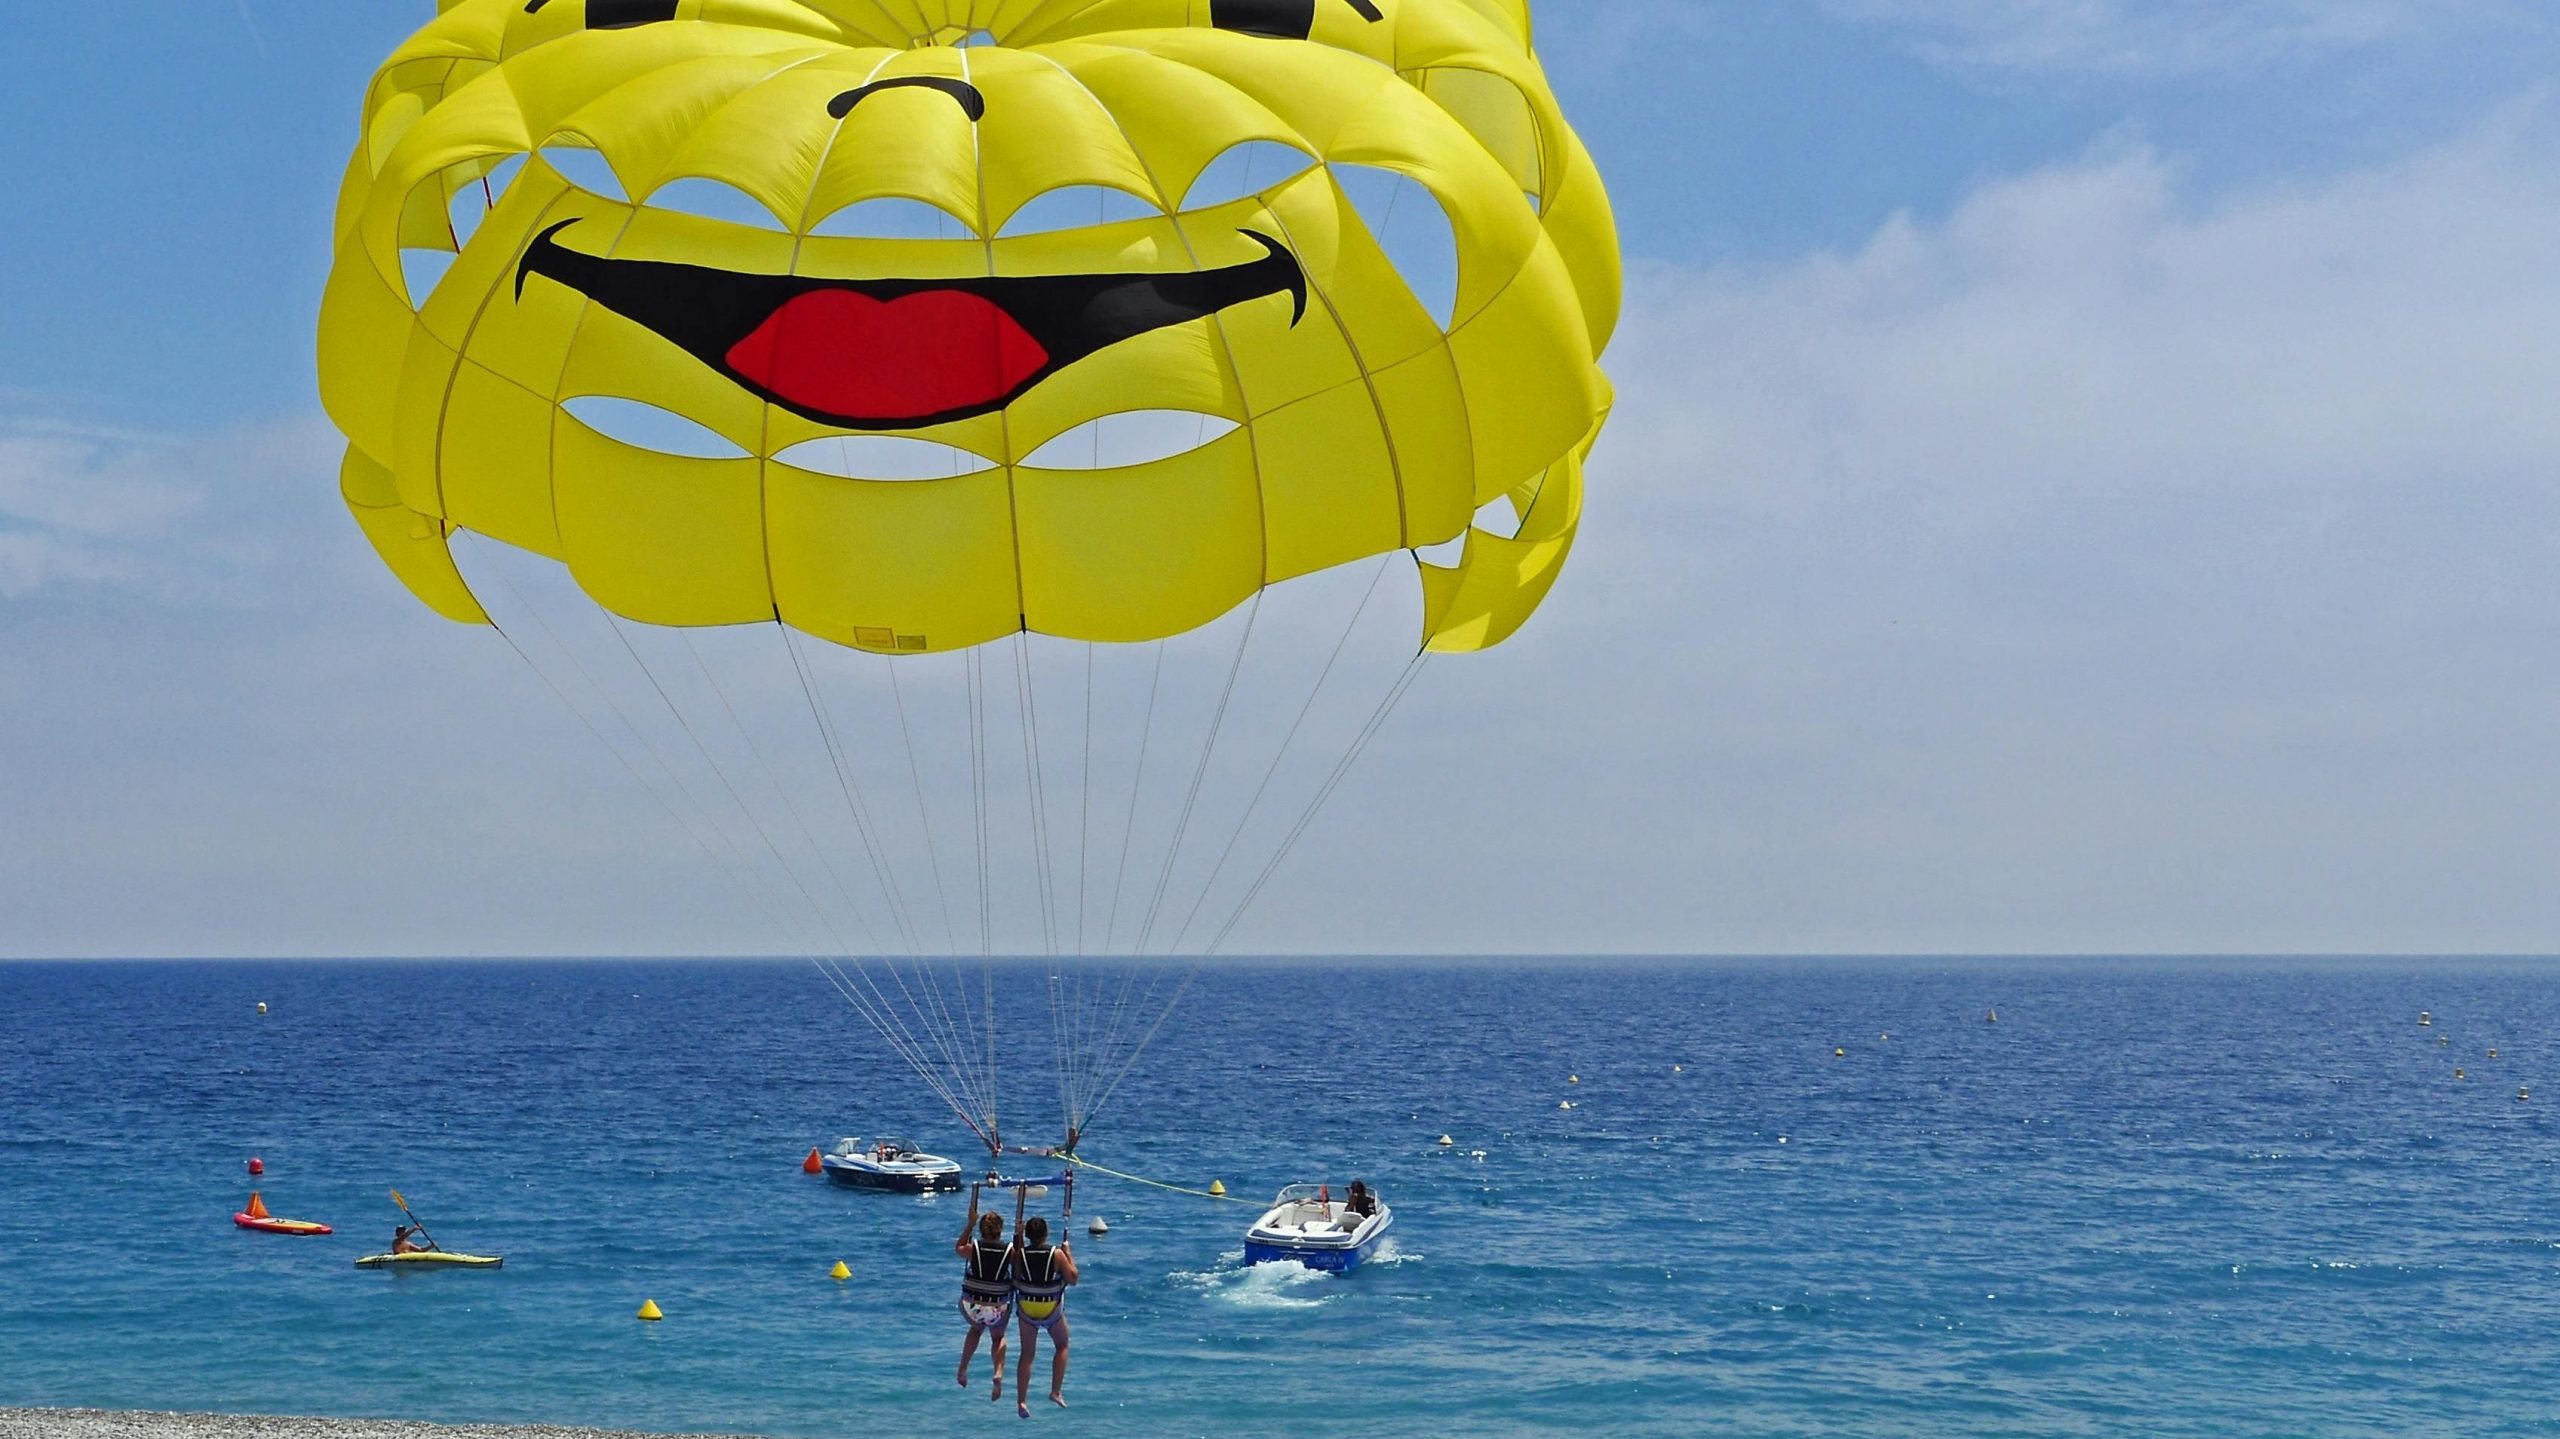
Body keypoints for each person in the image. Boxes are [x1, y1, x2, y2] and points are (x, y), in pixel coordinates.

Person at [1011, 1215, 1080, 1418]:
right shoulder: (1057, 1255)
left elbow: (1017, 1273)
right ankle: (1055, 1391)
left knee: (1027, 1354)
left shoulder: (1019, 1255)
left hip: (1027, 1308)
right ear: (1046, 1234)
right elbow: (1073, 1278)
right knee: (1062, 1345)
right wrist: (1069, 1254)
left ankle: (1021, 1401)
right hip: (1050, 1308)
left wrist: (1019, 1238)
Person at [955, 1191, 1013, 1398]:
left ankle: (963, 1368)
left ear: (982, 1230)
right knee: (998, 1337)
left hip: (972, 1306)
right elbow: (1021, 1263)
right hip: (997, 1307)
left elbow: (959, 1248)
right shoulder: (1009, 1251)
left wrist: (969, 1224)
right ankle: (998, 1372)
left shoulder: (973, 1248)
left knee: (975, 1329)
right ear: (1000, 1230)